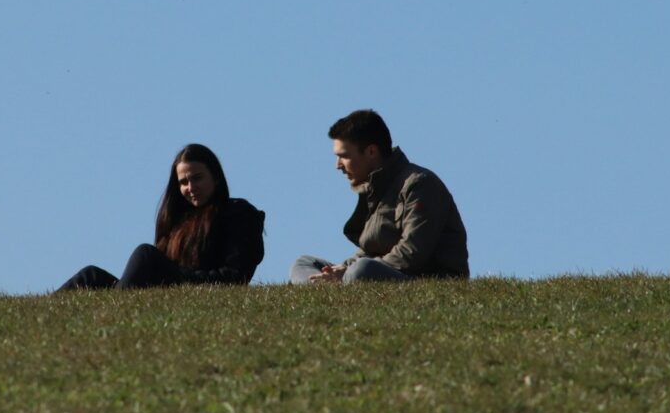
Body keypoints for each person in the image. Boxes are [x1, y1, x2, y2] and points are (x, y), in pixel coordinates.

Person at [290, 109, 468, 285]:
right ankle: (325, 286)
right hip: (378, 271)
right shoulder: (376, 189)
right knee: (304, 263)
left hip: (425, 279)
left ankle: (333, 287)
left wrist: (346, 273)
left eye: (344, 156)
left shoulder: (419, 184)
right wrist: (340, 269)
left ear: (371, 152)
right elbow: (371, 249)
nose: (338, 165)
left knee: (361, 271)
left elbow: (412, 253)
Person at [57, 144, 265, 291]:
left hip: (194, 285)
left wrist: (177, 276)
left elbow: (235, 276)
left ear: (216, 178)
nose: (191, 188)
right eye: (184, 182)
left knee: (145, 254)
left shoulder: (237, 213)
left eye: (197, 178)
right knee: (90, 276)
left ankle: (117, 308)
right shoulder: (178, 220)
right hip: (167, 284)